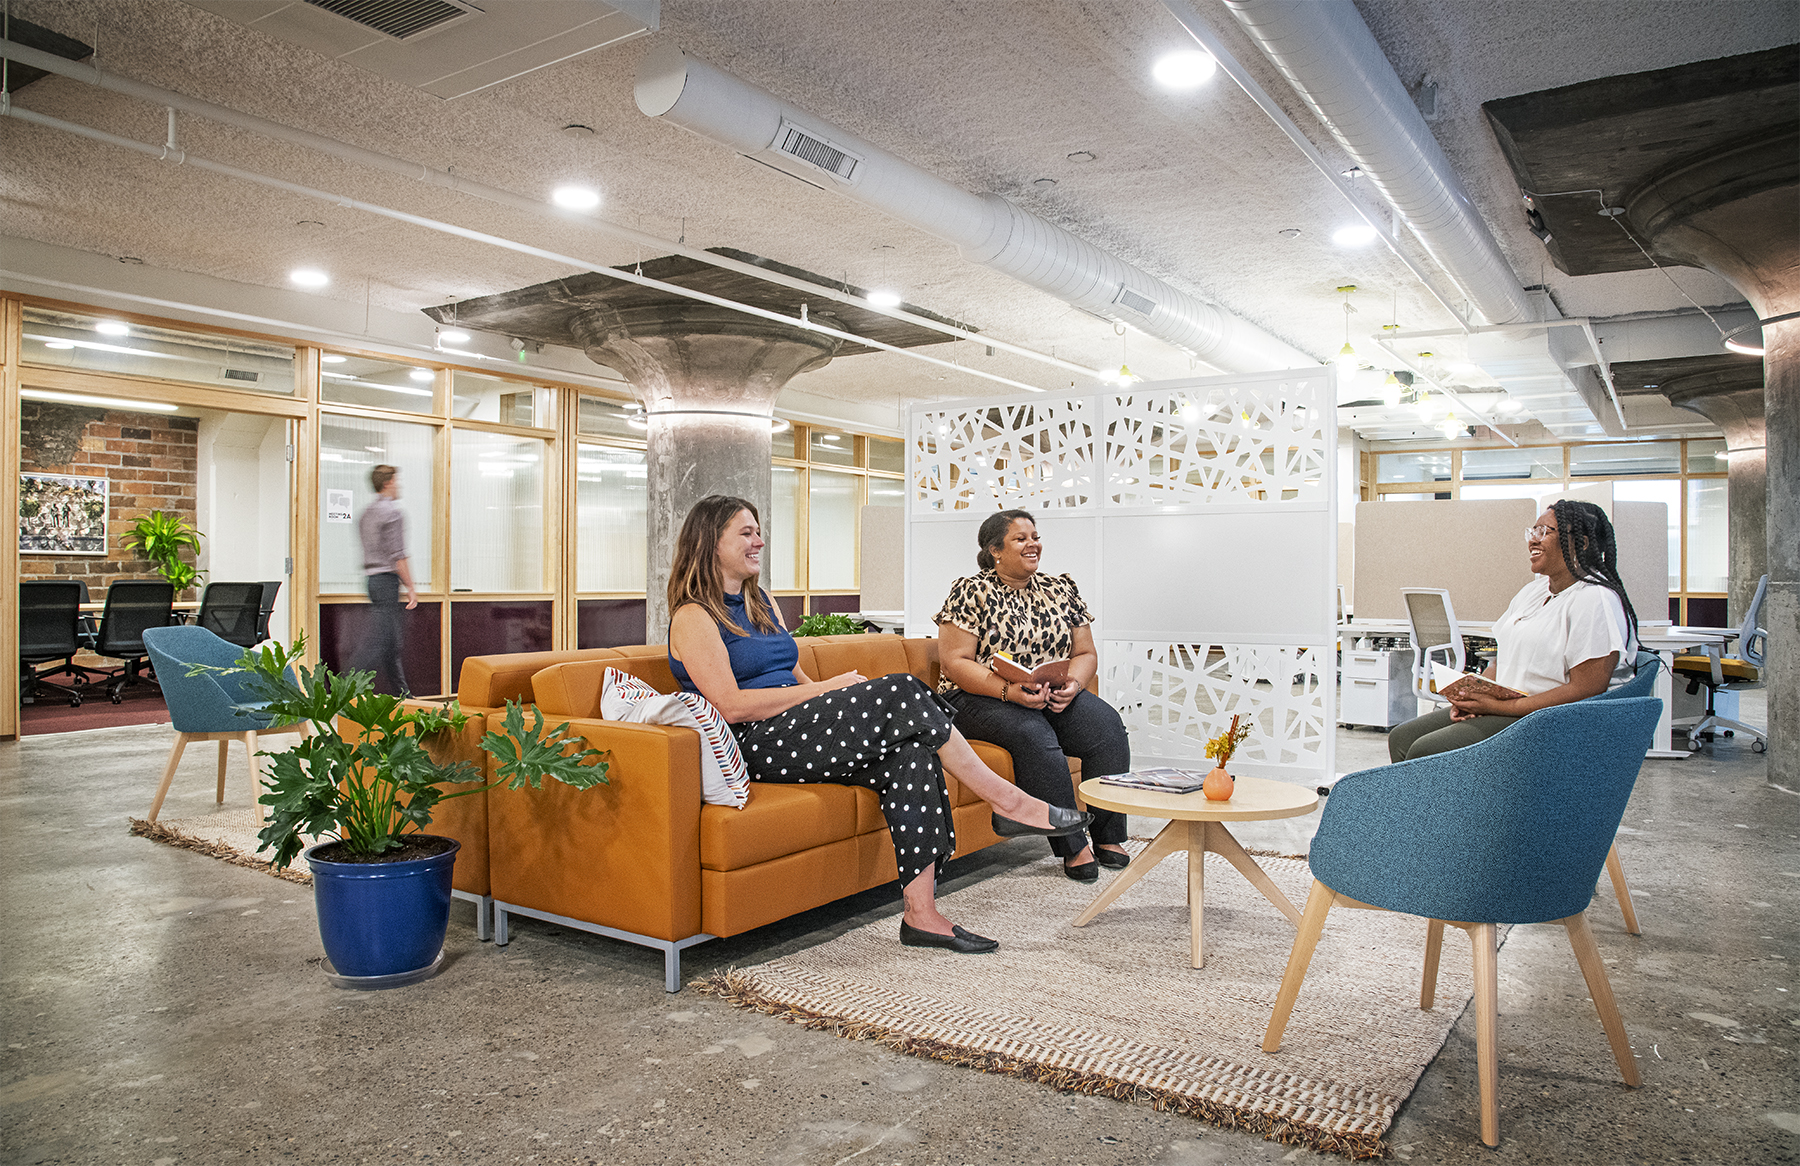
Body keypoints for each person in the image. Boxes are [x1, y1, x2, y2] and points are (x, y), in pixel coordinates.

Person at [667, 495, 1092, 955]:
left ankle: (921, 914)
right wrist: (825, 690)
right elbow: (730, 706)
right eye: (746, 533)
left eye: (757, 530)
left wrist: (824, 690)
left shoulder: (760, 602)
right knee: (902, 689)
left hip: (800, 727)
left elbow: (792, 672)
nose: (760, 541)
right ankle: (1009, 801)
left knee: (909, 756)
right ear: (711, 543)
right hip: (757, 743)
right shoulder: (694, 616)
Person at [934, 509, 1131, 883]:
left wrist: (1073, 684)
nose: (1033, 544)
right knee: (1033, 734)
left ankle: (1109, 835)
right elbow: (954, 662)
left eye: (1035, 537)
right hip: (979, 697)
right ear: (995, 550)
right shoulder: (971, 590)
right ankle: (1073, 844)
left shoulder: (1061, 588)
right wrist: (1009, 690)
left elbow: (1086, 653)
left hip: (1048, 691)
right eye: (1021, 538)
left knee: (1106, 728)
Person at [1388, 499, 1639, 761]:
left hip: (1549, 720)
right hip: (1508, 708)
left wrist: (1501, 707)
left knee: (1427, 750)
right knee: (1402, 738)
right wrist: (1472, 697)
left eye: (1544, 532)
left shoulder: (1595, 598)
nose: (1533, 540)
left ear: (1582, 543)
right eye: (1532, 532)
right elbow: (1502, 657)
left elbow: (1587, 688)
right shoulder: (1533, 592)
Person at [354, 464, 418, 696]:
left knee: (391, 645)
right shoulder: (392, 512)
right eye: (397, 481)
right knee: (377, 643)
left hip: (372, 582)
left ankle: (404, 696)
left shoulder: (367, 513)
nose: (399, 485)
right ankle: (344, 691)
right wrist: (411, 587)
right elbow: (398, 555)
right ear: (388, 482)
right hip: (387, 582)